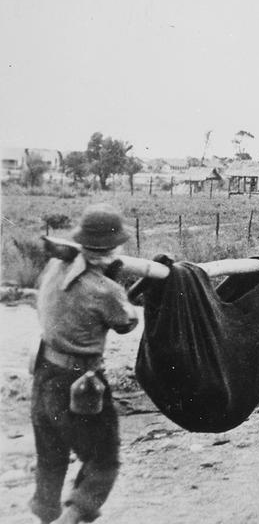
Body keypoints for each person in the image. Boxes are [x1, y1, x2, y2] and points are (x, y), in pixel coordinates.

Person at [30, 204, 139, 524]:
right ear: (112, 247)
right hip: (79, 384)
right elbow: (127, 322)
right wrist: (112, 283)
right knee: (104, 461)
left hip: (43, 375)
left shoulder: (53, 266)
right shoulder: (105, 290)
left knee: (50, 459)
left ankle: (47, 517)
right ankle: (71, 519)